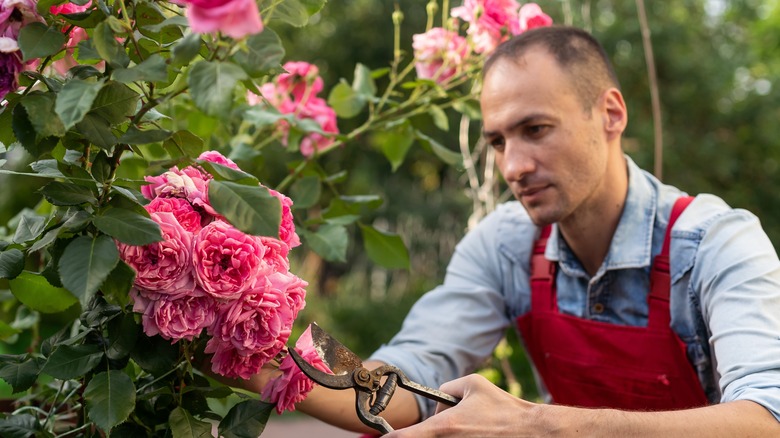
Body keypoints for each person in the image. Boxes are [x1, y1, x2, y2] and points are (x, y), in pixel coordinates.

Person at [247, 25, 780, 436]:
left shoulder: (715, 243)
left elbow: (768, 418)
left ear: (611, 113)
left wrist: (537, 425)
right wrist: (239, 351)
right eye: (499, 141)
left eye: (536, 130)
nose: (513, 167)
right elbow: (408, 385)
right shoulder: (507, 243)